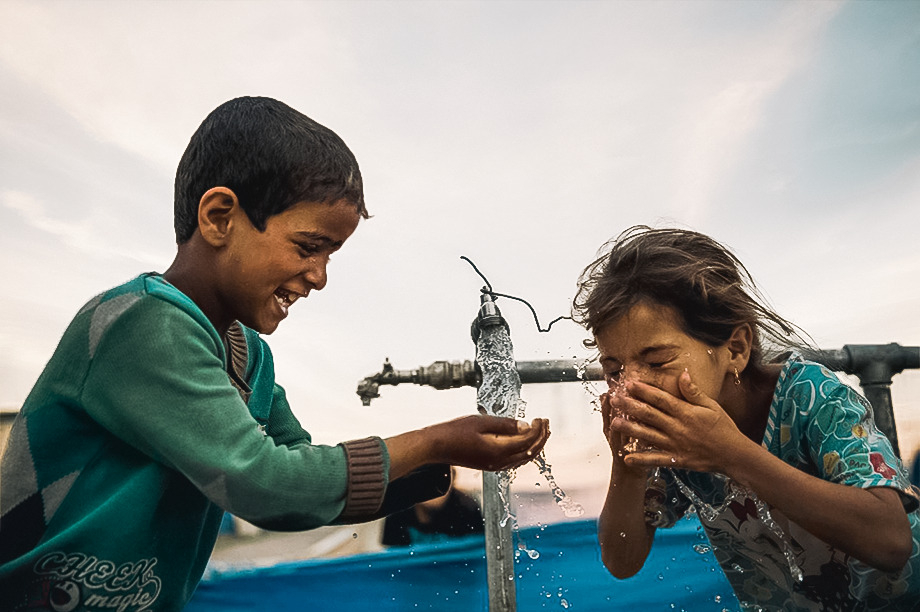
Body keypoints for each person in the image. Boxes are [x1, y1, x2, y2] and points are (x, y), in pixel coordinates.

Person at [0, 96, 550, 611]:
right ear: (219, 218)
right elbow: (263, 483)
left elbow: (301, 490)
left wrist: (435, 463)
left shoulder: (251, 359)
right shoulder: (141, 323)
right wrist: (430, 440)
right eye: (308, 247)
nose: (319, 277)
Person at [572, 226, 920, 611]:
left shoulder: (809, 396)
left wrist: (730, 454)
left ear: (735, 349)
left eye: (656, 361)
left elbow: (891, 541)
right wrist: (627, 469)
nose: (632, 385)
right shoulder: (674, 438)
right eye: (614, 368)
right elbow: (622, 561)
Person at [382, 467, 484, 546]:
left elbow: (477, 554)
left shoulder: (466, 508)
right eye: (424, 482)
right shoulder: (398, 511)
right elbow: (392, 561)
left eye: (440, 481)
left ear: (451, 481)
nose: (433, 489)